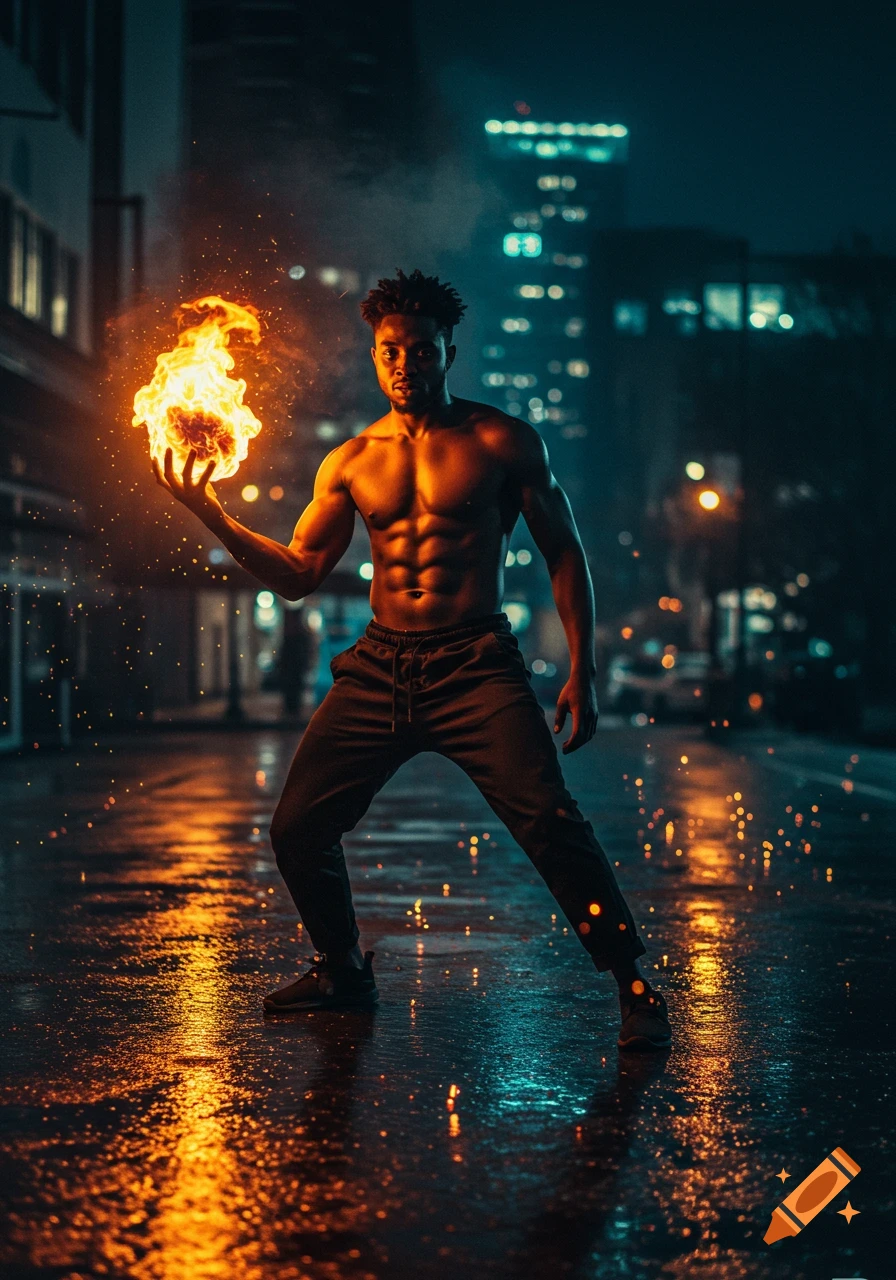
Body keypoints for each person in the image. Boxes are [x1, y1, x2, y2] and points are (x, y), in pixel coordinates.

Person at [152, 269, 671, 1051]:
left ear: (447, 352)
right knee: (297, 829)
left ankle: (632, 982)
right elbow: (298, 575)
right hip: (380, 665)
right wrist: (212, 513)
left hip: (476, 665)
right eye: (390, 351)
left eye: (420, 350)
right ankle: (341, 970)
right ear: (374, 355)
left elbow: (565, 555)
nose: (405, 364)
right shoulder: (352, 460)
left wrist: (582, 670)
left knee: (550, 823)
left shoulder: (502, 441)